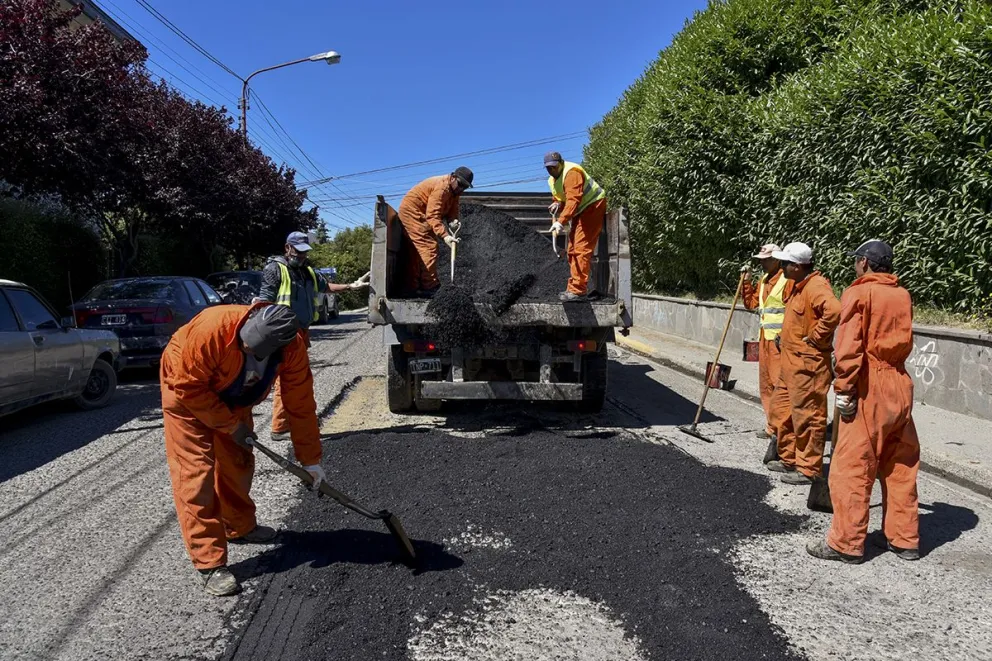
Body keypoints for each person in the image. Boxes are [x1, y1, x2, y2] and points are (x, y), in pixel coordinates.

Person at [160, 304, 328, 596]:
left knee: (238, 460)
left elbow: (300, 405)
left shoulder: (292, 348)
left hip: (234, 392)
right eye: (244, 344)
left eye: (254, 350)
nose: (246, 349)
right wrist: (228, 425)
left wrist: (311, 460)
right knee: (196, 474)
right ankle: (209, 562)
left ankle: (238, 527)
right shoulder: (211, 330)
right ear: (249, 320)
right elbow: (189, 388)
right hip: (185, 390)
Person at [807, 240, 920, 564]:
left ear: (866, 264)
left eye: (857, 261)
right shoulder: (902, 295)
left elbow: (849, 348)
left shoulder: (859, 293)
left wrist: (844, 390)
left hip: (870, 386)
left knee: (852, 467)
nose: (855, 266)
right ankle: (905, 540)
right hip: (900, 384)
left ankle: (846, 543)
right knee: (900, 465)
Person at [257, 231, 369, 440]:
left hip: (301, 333)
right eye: (298, 252)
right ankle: (280, 427)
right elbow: (264, 301)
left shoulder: (308, 271)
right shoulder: (276, 269)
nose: (301, 256)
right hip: (282, 334)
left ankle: (293, 422)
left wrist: (350, 286)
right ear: (287, 248)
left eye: (304, 253)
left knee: (299, 380)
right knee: (288, 379)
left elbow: (325, 287)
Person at [766, 242, 841, 485]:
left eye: (785, 263)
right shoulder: (798, 286)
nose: (782, 266)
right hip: (791, 363)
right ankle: (789, 458)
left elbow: (834, 311)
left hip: (808, 366)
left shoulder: (816, 287)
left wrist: (816, 337)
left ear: (797, 266)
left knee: (808, 416)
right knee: (783, 411)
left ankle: (808, 469)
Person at [741, 244, 793, 445]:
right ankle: (771, 426)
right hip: (764, 338)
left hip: (780, 342)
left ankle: (781, 429)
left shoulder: (787, 280)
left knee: (780, 386)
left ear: (777, 259)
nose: (762, 263)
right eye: (761, 259)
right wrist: (746, 283)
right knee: (766, 385)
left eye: (766, 259)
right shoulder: (763, 280)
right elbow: (752, 304)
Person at [397, 167, 473, 297]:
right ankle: (429, 286)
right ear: (453, 177)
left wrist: (452, 221)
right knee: (429, 247)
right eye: (460, 184)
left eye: (465, 187)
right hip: (412, 212)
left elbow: (452, 210)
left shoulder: (455, 192)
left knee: (417, 251)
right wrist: (445, 236)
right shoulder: (442, 188)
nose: (461, 189)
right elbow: (432, 216)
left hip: (422, 213)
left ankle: (412, 287)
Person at [544, 151, 607, 302]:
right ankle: (573, 287)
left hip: (592, 206)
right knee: (572, 250)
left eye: (554, 167)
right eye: (548, 168)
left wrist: (560, 221)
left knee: (581, 248)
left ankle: (578, 290)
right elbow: (562, 197)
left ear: (561, 163)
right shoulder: (552, 180)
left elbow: (573, 200)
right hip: (580, 210)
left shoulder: (572, 173)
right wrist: (558, 203)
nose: (552, 170)